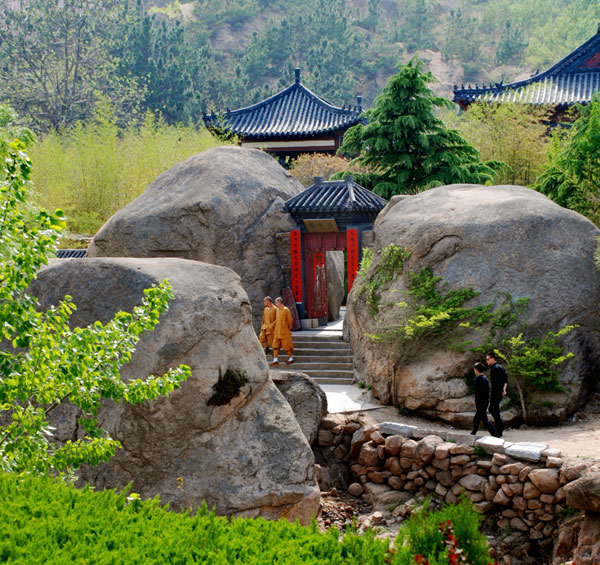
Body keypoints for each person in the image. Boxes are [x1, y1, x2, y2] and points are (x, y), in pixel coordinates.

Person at [471, 362, 498, 437]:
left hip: (480, 402)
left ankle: (495, 434)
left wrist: (477, 402)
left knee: (484, 420)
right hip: (485, 401)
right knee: (478, 418)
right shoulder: (485, 378)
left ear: (476, 370)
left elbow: (477, 393)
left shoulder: (478, 379)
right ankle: (474, 432)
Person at [486, 351, 508, 437]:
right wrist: (504, 390)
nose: (487, 361)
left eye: (488, 359)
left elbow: (498, 382)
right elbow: (505, 380)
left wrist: (501, 390)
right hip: (499, 392)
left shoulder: (495, 368)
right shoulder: (500, 367)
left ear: (492, 359)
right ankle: (499, 427)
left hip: (496, 392)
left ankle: (499, 428)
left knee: (492, 409)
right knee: (494, 409)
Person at [270, 297, 294, 366]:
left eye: (276, 302)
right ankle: (275, 359)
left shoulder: (286, 310)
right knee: (275, 344)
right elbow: (277, 320)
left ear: (279, 302)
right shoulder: (277, 310)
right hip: (277, 331)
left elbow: (290, 320)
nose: (275, 304)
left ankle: (290, 358)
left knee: (286, 345)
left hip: (284, 331)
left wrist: (289, 328)